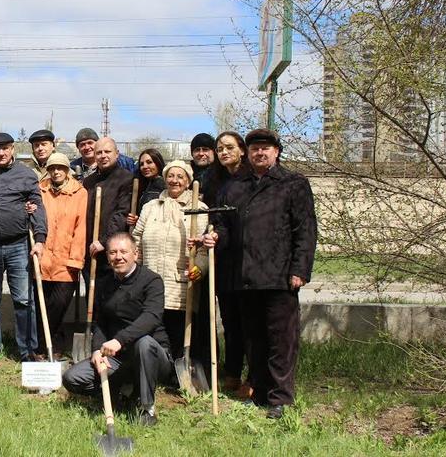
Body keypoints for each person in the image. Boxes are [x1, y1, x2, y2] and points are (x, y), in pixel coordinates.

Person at [202, 128, 316, 419]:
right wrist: (216, 237)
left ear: (276, 152)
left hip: (279, 277)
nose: (260, 153)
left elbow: (305, 231)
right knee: (253, 339)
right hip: (246, 276)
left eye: (265, 148)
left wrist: (299, 270)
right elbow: (223, 225)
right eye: (255, 149)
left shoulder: (293, 184)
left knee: (281, 339)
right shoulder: (235, 187)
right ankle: (261, 392)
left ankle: (280, 398)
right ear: (248, 153)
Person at [62, 233, 172, 426]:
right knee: (73, 377)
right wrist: (97, 349)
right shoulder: (105, 284)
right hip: (118, 358)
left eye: (123, 251)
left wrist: (119, 340)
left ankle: (146, 408)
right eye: (112, 252)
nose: (118, 256)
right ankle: (119, 394)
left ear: (135, 254)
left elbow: (151, 317)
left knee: (144, 343)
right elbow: (101, 322)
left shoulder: (152, 281)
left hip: (153, 356)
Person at [0, 132, 47, 361]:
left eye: (5, 148)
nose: (1, 153)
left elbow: (37, 206)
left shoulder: (26, 175)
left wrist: (41, 239)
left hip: (18, 245)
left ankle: (27, 349)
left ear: (13, 148)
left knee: (24, 299)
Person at [130, 160, 208, 362]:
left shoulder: (199, 209)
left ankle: (178, 368)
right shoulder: (150, 207)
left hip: (180, 280)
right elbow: (137, 239)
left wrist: (199, 268)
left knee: (177, 327)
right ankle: (154, 367)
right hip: (150, 278)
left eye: (180, 177)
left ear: (188, 181)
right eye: (170, 176)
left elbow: (203, 248)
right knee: (151, 325)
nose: (175, 180)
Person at [206, 131, 250, 394]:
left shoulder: (251, 179)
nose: (224, 152)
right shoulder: (216, 181)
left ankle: (253, 376)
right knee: (230, 321)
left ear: (242, 150)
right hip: (224, 259)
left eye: (229, 147)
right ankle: (232, 372)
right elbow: (216, 220)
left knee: (250, 323)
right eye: (220, 148)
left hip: (249, 260)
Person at [33, 152, 86, 360]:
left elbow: (81, 228)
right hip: (43, 259)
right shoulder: (40, 190)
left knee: (59, 306)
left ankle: (53, 344)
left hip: (66, 262)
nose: (56, 172)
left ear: (67, 170)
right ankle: (41, 348)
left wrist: (75, 259)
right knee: (41, 307)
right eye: (53, 168)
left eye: (61, 168)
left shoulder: (79, 193)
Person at [83, 137, 134, 274]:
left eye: (107, 151)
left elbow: (122, 214)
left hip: (112, 251)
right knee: (91, 292)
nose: (103, 156)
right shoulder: (88, 182)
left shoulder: (126, 179)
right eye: (99, 152)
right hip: (89, 250)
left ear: (116, 154)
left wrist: (104, 241)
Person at [70, 128, 135, 180]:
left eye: (90, 143)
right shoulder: (72, 168)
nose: (87, 147)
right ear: (78, 148)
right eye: (82, 145)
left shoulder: (124, 162)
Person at [128, 147, 167, 223]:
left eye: (149, 162)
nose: (145, 166)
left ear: (158, 163)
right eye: (141, 164)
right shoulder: (142, 186)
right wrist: (136, 219)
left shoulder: (166, 186)